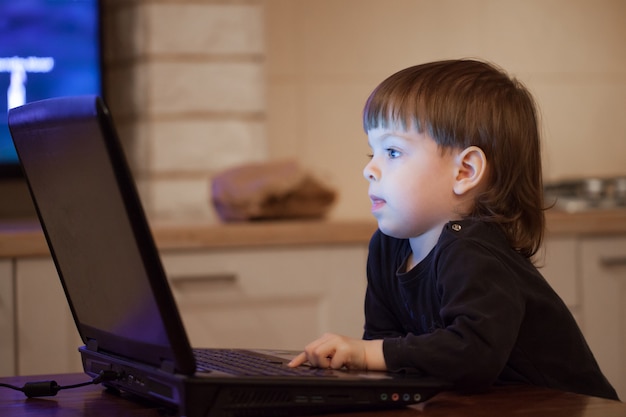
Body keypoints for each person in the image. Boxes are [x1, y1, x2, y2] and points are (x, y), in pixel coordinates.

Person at [288, 59, 619, 401]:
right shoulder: (387, 248)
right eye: (372, 152)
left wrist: (366, 354)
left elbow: (472, 353)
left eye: (392, 151)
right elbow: (385, 344)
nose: (369, 169)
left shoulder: (472, 251)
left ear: (465, 171)